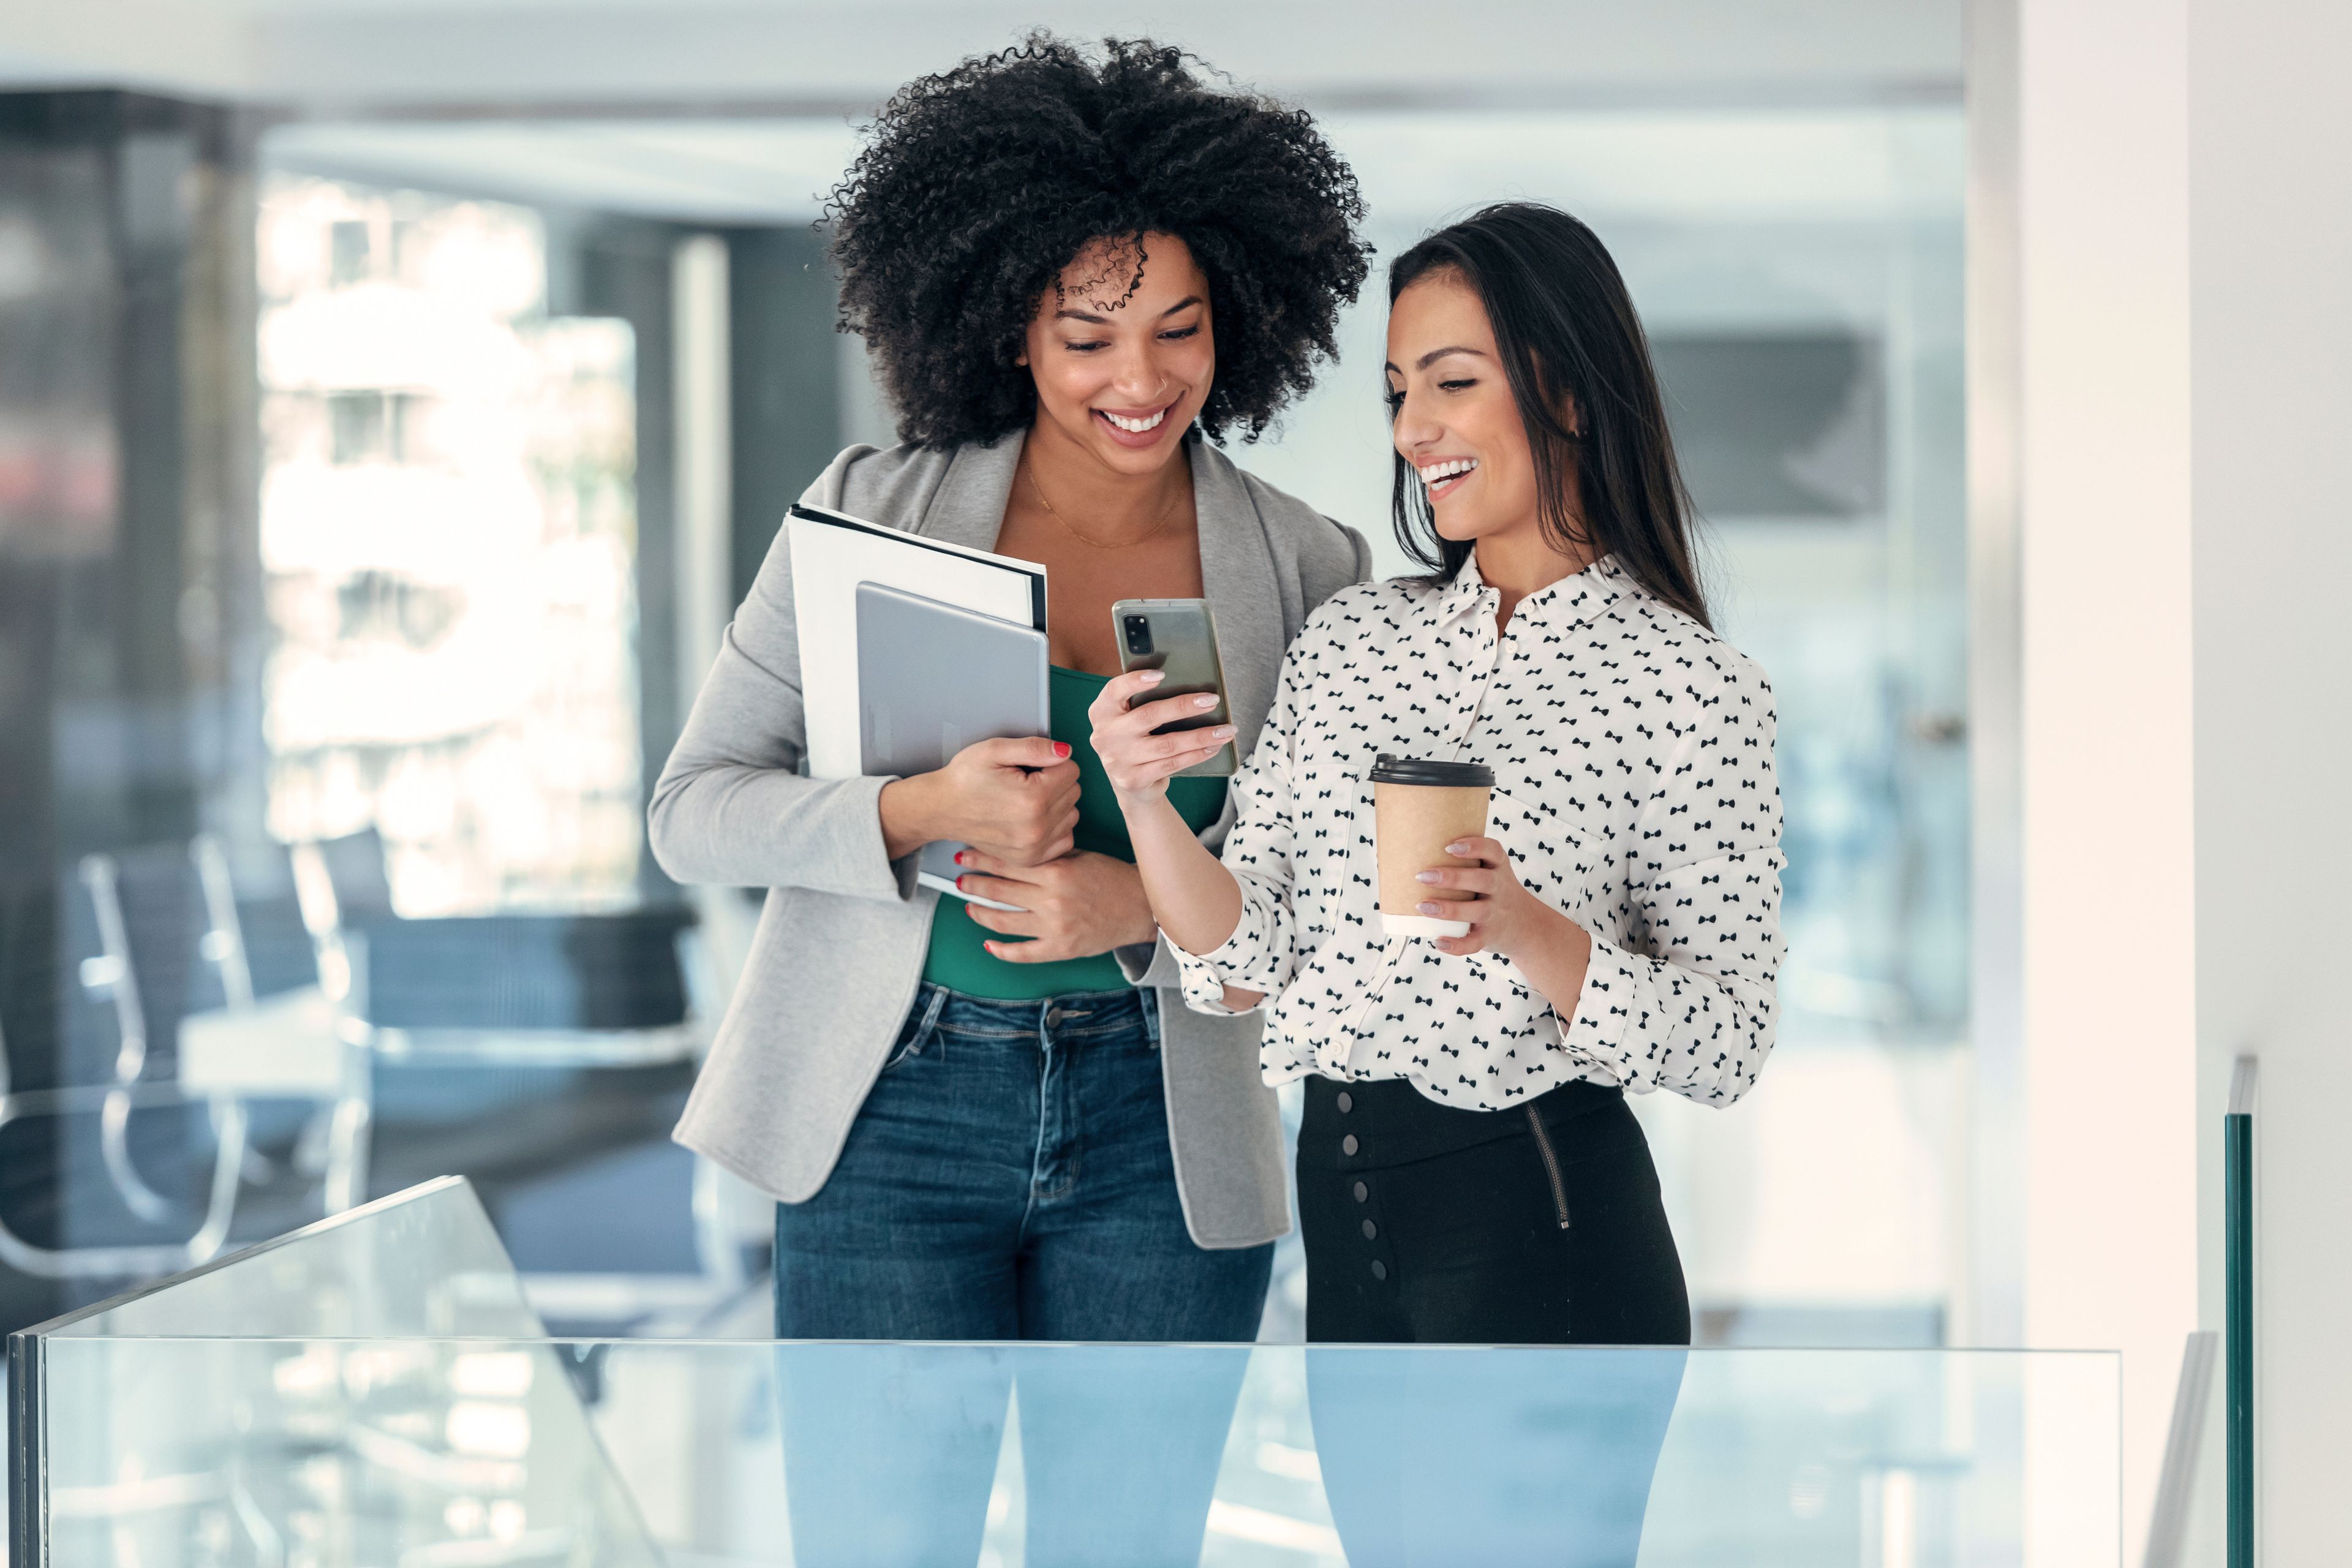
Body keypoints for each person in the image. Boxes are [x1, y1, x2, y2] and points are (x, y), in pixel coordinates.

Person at [646, 36, 1371, 1568]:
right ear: (1008, 328)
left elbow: (1336, 914)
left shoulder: (1306, 568)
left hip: (1155, 1125)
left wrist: (1137, 906)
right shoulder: (864, 509)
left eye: (1180, 330)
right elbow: (694, 809)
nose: (1141, 379)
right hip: (890, 1111)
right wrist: (917, 809)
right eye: (1089, 334)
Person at [1095, 199, 1781, 1561]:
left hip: (1542, 1218)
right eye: (1401, 389)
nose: (1414, 427)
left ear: (1568, 392)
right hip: (1347, 1217)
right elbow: (1246, 954)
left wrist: (1527, 926)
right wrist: (1140, 797)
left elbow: (1724, 1038)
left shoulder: (1691, 684)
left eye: (1455, 383)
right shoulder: (1355, 637)